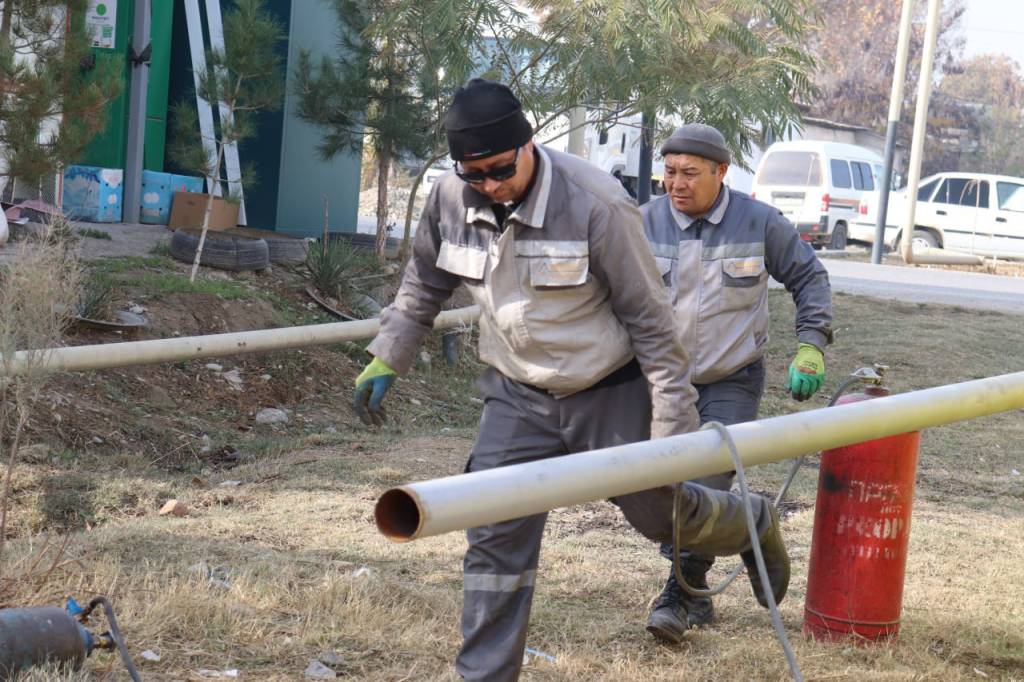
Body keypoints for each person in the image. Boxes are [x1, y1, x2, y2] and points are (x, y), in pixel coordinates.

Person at [353, 80, 790, 681]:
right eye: (473, 174)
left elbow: (652, 322)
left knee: (662, 517)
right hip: (517, 393)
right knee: (495, 529)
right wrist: (389, 353)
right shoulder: (450, 198)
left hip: (608, 388)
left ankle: (750, 522)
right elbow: (425, 281)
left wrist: (672, 427)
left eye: (499, 169)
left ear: (528, 145)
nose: (489, 185)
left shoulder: (595, 202)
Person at [641, 123, 833, 642]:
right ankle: (746, 528)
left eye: (689, 173)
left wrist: (811, 344)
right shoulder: (641, 223)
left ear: (721, 172)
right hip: (661, 382)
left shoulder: (759, 222)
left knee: (706, 482)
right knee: (658, 491)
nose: (676, 184)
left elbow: (809, 277)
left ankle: (678, 595)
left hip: (732, 378)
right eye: (669, 172)